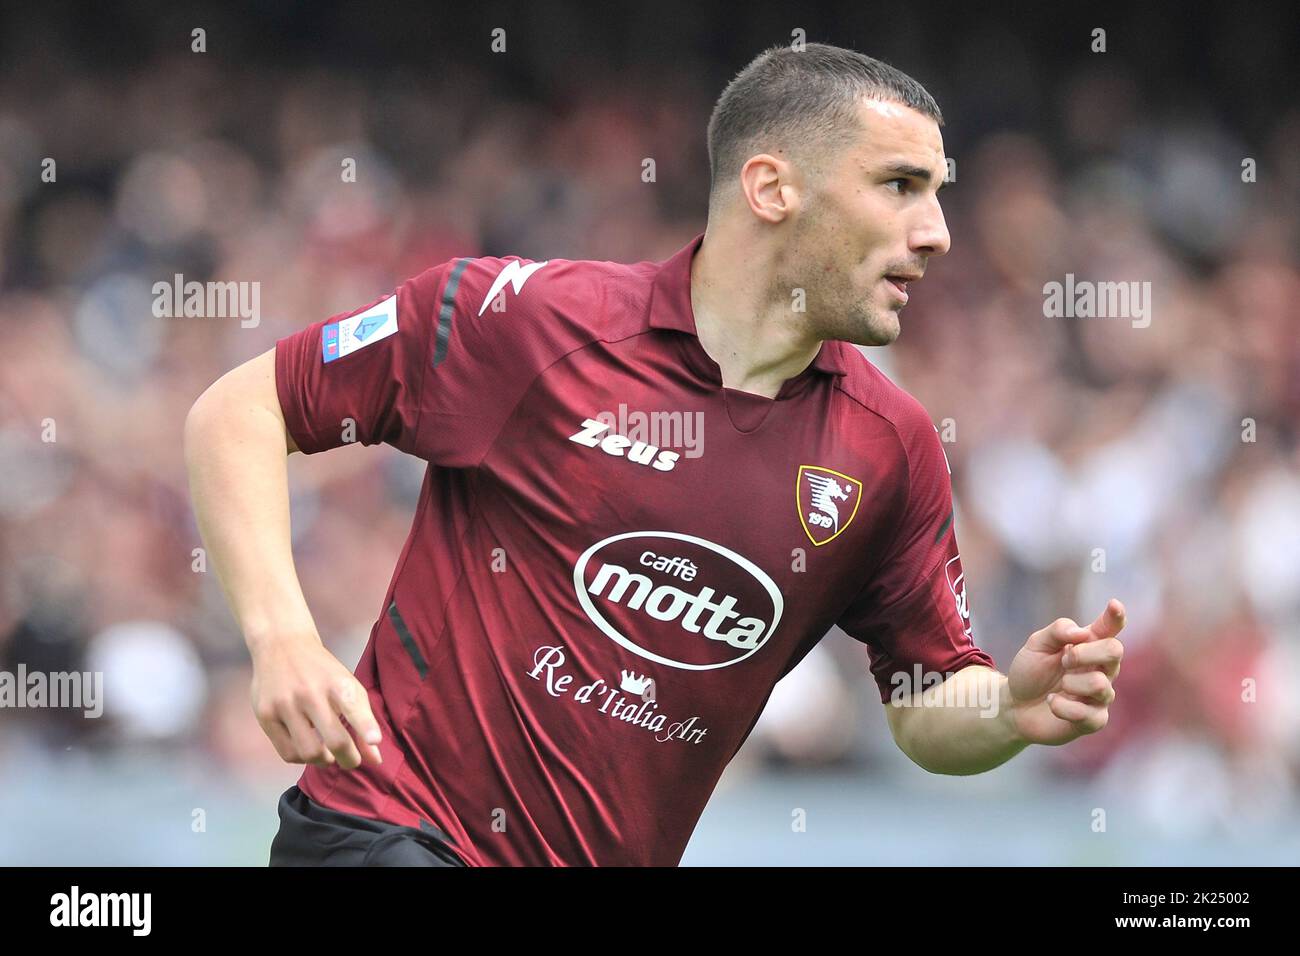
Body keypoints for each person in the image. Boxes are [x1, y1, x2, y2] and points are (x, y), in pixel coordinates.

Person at [184, 42, 1125, 867]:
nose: (937, 233)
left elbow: (924, 704)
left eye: (938, 193)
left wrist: (1007, 709)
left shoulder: (890, 447)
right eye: (899, 186)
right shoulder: (527, 323)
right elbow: (242, 412)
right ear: (772, 188)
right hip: (386, 829)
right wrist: (283, 641)